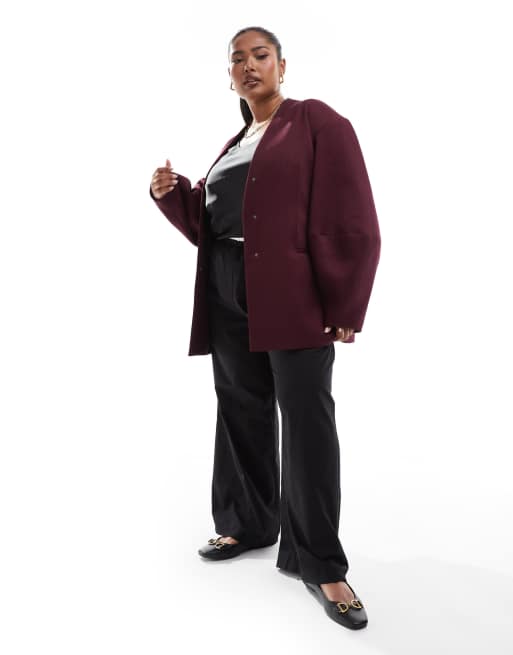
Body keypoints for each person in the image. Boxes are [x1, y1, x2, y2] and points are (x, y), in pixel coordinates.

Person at [149, 26, 381, 630]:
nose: (249, 65)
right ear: (229, 77)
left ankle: (321, 564)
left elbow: (352, 213)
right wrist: (175, 196)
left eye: (260, 55)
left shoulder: (314, 122)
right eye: (238, 59)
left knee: (306, 421)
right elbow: (214, 226)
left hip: (292, 292)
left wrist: (345, 301)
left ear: (282, 65)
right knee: (240, 406)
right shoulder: (236, 142)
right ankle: (247, 522)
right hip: (227, 285)